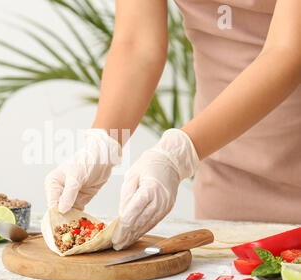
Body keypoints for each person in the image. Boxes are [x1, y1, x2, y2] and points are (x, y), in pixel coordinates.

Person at [44, 0, 301, 250]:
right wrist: (102, 143)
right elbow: (137, 44)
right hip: (226, 175)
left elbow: (287, 52)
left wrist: (179, 153)